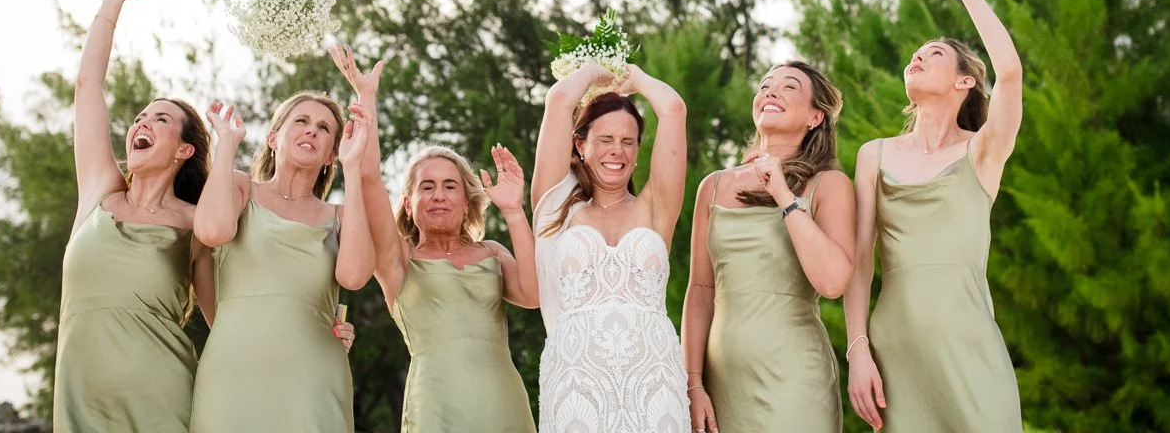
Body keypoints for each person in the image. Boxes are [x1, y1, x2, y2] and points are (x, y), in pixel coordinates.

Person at [844, 0, 1024, 432]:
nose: (917, 57)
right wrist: (858, 350)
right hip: (896, 356)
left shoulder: (983, 153)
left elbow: (1011, 72)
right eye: (915, 54)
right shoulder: (874, 155)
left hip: (972, 350)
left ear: (965, 81)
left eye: (934, 54)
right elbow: (860, 262)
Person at [329, 43, 537, 432]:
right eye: (427, 187)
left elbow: (533, 294)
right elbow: (370, 179)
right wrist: (366, 96)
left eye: (449, 186)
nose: (439, 195)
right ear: (409, 204)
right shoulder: (397, 259)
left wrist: (513, 210)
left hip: (503, 403)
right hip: (435, 405)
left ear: (466, 201)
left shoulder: (492, 252)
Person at [53, 0, 215, 432]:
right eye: (140, 117)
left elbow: (226, 320)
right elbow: (87, 85)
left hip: (164, 404)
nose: (142, 123)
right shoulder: (99, 193)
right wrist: (111, 4)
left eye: (160, 119)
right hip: (80, 404)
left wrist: (324, 334)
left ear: (184, 149)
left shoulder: (198, 224)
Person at [188, 74, 374, 433]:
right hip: (233, 373)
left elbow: (354, 277)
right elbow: (211, 231)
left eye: (324, 128)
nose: (312, 130)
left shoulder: (342, 216)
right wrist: (226, 144)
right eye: (301, 121)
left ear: (331, 155)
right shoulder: (242, 188)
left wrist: (352, 169)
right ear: (273, 138)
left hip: (314, 378)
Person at [682, 61, 855, 433]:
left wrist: (783, 194)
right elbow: (700, 290)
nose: (771, 91)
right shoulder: (713, 186)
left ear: (815, 117)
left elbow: (833, 283)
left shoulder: (829, 184)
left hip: (795, 382)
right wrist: (693, 381)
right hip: (723, 386)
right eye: (765, 85)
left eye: (789, 86)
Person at [531, 63, 689, 433]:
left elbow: (673, 109)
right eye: (605, 139)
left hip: (654, 385)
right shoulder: (556, 209)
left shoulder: (656, 209)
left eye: (628, 141)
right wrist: (592, 70)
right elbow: (559, 99)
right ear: (580, 144)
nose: (617, 151)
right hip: (576, 386)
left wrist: (637, 78)